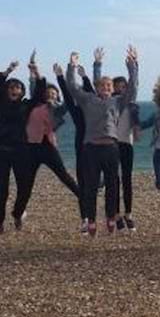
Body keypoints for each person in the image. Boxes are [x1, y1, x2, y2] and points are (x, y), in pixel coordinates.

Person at [65, 47, 139, 237]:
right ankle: (90, 219)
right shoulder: (87, 99)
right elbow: (72, 87)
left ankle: (110, 217)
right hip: (91, 148)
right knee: (90, 186)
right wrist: (72, 66)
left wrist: (133, 66)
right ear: (97, 88)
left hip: (111, 148)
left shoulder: (117, 102)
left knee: (112, 185)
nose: (105, 89)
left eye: (108, 86)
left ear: (112, 89)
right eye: (102, 86)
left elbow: (132, 88)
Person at [21, 52, 82, 221]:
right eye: (48, 92)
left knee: (64, 176)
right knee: (27, 183)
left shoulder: (59, 109)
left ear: (58, 96)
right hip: (31, 148)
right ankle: (20, 212)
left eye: (54, 93)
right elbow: (34, 85)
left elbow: (68, 99)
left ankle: (83, 198)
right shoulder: (34, 104)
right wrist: (33, 69)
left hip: (49, 147)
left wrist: (68, 71)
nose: (50, 94)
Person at [93, 48, 139, 233]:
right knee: (114, 181)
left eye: (123, 86)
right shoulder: (107, 103)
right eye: (117, 86)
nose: (120, 88)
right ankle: (116, 215)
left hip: (126, 144)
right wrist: (97, 64)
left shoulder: (130, 103)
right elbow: (97, 85)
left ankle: (128, 214)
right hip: (111, 144)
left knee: (127, 180)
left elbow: (135, 84)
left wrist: (134, 65)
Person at [55, 50, 98, 232]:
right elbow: (67, 92)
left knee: (93, 185)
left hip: (95, 149)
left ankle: (92, 219)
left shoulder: (94, 107)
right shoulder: (75, 110)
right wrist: (63, 74)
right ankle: (85, 219)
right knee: (83, 183)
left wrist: (85, 76)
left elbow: (91, 92)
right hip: (81, 148)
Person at [0, 60, 39, 233]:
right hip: (2, 150)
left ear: (22, 92)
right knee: (2, 191)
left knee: (25, 187)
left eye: (18, 88)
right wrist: (8, 70)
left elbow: (39, 95)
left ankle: (17, 213)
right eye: (11, 87)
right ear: (6, 90)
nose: (14, 90)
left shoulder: (26, 105)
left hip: (22, 151)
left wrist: (35, 73)